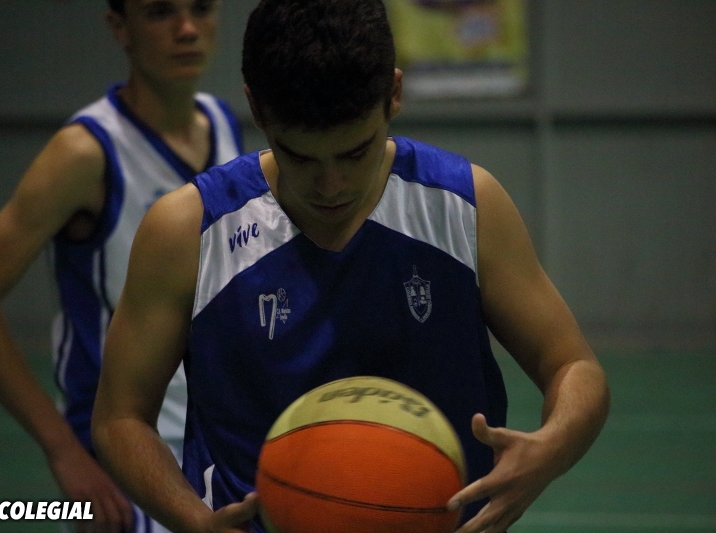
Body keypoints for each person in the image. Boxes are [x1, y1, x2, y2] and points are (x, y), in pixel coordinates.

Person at [91, 0, 610, 532]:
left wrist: (551, 446)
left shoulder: (465, 205)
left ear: (394, 94)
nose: (331, 185)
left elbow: (573, 366)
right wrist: (195, 522)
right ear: (257, 108)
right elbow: (119, 418)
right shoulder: (187, 230)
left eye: (355, 153)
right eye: (301, 157)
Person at [0, 1, 242, 531]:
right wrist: (63, 450)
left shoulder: (221, 122)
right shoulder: (85, 152)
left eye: (201, 8)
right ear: (119, 28)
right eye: (160, 12)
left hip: (217, 447)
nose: (187, 29)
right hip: (124, 460)